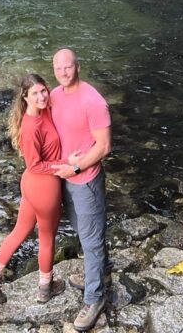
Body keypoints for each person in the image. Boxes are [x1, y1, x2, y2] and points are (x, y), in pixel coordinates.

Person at [0, 74, 67, 304]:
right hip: (44, 185)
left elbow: (61, 98)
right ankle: (46, 288)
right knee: (46, 238)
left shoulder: (43, 110)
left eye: (43, 91)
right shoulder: (29, 126)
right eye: (34, 93)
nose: (41, 96)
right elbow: (35, 164)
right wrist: (65, 166)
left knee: (19, 231)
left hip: (31, 185)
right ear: (25, 97)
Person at [49, 48, 112, 332]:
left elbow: (104, 146)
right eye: (59, 68)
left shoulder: (93, 101)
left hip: (86, 181)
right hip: (64, 178)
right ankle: (100, 273)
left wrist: (76, 168)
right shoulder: (53, 96)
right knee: (82, 231)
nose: (64, 72)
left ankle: (94, 298)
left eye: (68, 67)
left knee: (91, 239)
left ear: (78, 67)